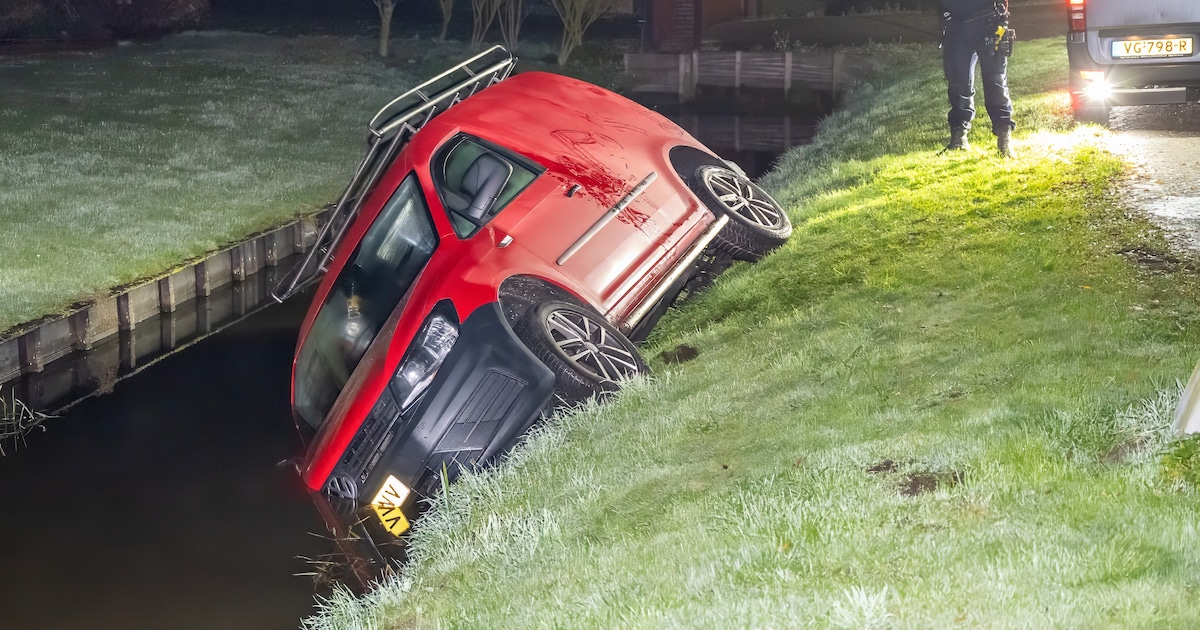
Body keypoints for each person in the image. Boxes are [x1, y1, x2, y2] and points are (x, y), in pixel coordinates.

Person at [939, 0, 1016, 157]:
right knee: (958, 83)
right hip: (957, 24)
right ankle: (958, 138)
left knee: (995, 81)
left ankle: (1004, 136)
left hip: (989, 20)